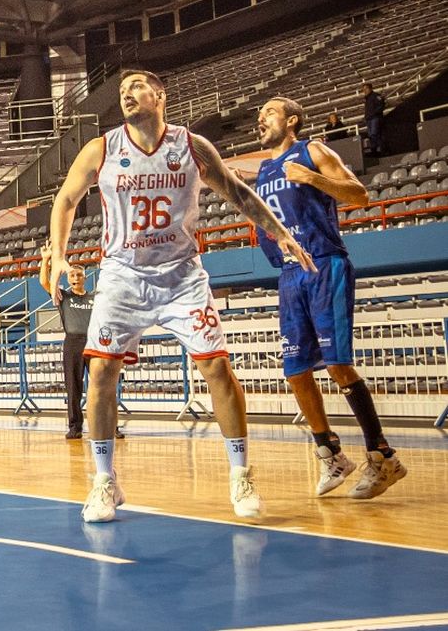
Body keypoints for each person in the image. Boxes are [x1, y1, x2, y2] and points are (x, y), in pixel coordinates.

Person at [45, 70, 316, 524]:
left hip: (182, 275)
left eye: (136, 86)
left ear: (160, 95)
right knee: (101, 371)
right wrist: (58, 256)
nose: (127, 94)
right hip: (122, 275)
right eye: (123, 90)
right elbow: (65, 200)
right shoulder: (103, 148)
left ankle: (240, 474)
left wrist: (280, 232)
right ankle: (104, 481)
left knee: (216, 366)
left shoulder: (192, 145)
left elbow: (237, 192)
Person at [255, 97, 407, 498]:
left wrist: (312, 178)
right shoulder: (264, 171)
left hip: (325, 265)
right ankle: (330, 452)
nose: (260, 118)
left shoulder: (313, 150)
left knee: (338, 365)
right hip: (290, 275)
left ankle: (383, 456)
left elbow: (359, 195)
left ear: (292, 120)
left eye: (268, 112)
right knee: (295, 371)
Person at [39, 244, 94, 440]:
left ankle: (109, 427)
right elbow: (45, 283)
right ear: (68, 279)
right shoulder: (63, 296)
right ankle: (75, 427)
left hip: (94, 343)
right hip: (72, 343)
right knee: (73, 387)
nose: (75, 278)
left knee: (101, 387)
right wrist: (46, 260)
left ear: (85, 278)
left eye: (79, 275)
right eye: (72, 275)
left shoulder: (95, 297)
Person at [361, 83, 385, 155]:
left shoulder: (376, 96)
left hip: (375, 118)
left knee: (374, 134)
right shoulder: (366, 98)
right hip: (369, 119)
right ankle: (374, 150)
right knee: (371, 135)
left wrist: (374, 113)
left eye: (366, 89)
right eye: (363, 90)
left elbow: (381, 106)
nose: (364, 91)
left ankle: (378, 149)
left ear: (370, 88)